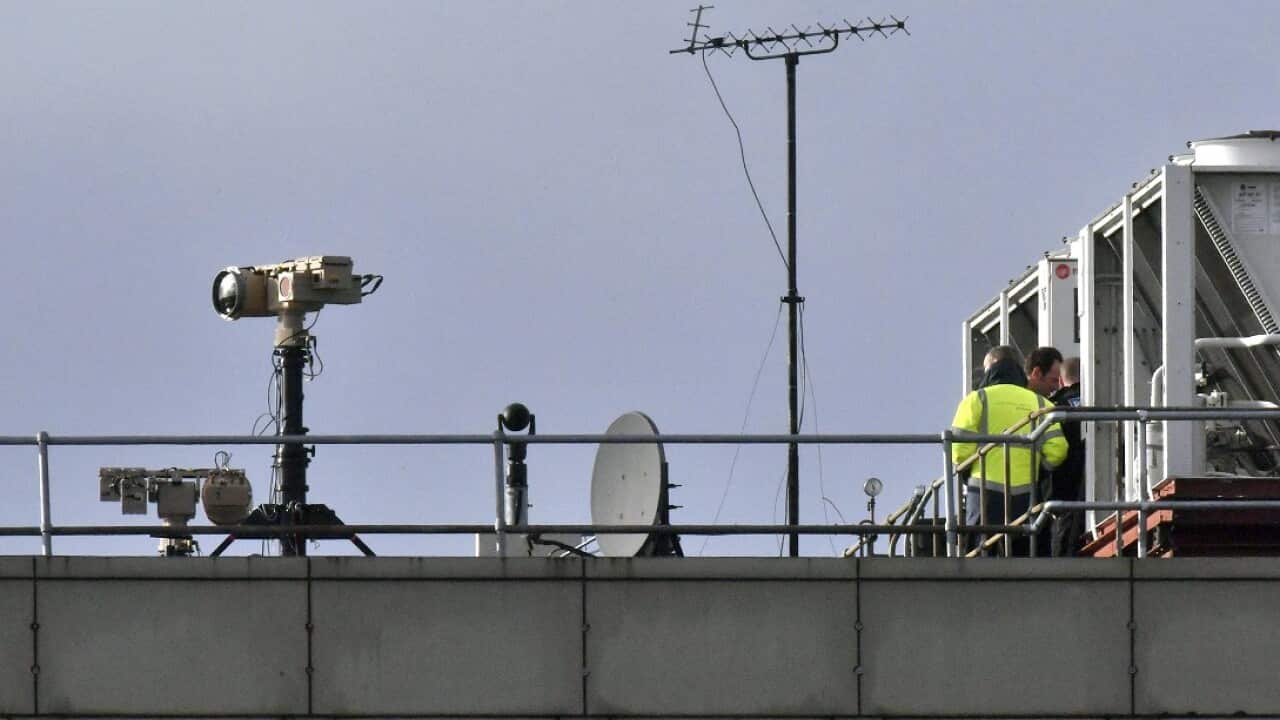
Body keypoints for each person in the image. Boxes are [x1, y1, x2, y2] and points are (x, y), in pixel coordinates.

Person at [952, 346, 1068, 555]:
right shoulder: (1041, 403)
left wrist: (971, 469)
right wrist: (1039, 468)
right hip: (1026, 496)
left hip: (983, 495)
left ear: (992, 368)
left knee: (979, 556)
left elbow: (959, 451)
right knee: (1024, 555)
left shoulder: (976, 399)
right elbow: (1058, 450)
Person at [1046, 356, 1085, 556]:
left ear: (1061, 381)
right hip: (1102, 492)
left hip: (1065, 489)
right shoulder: (1101, 398)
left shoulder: (1053, 406)